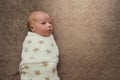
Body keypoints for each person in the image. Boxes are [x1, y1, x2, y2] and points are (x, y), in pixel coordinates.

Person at [19, 11, 60, 80]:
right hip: (31, 65)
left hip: (49, 67)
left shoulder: (50, 38)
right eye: (43, 23)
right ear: (32, 28)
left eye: (50, 23)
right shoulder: (31, 38)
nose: (49, 25)